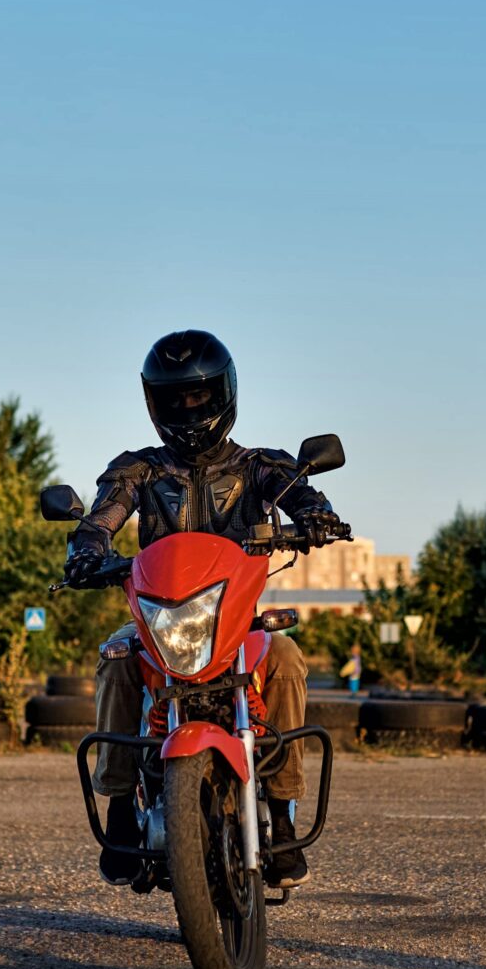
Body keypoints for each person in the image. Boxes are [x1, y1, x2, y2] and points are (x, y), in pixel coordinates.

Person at [64, 330, 351, 890]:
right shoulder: (138, 471)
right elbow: (102, 517)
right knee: (117, 657)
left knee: (286, 659)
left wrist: (316, 515)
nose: (190, 409)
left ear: (224, 394)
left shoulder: (260, 466)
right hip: (161, 622)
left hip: (236, 621)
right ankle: (120, 806)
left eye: (199, 396)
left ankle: (283, 813)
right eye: (176, 399)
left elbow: (301, 494)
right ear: (156, 404)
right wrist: (88, 549)